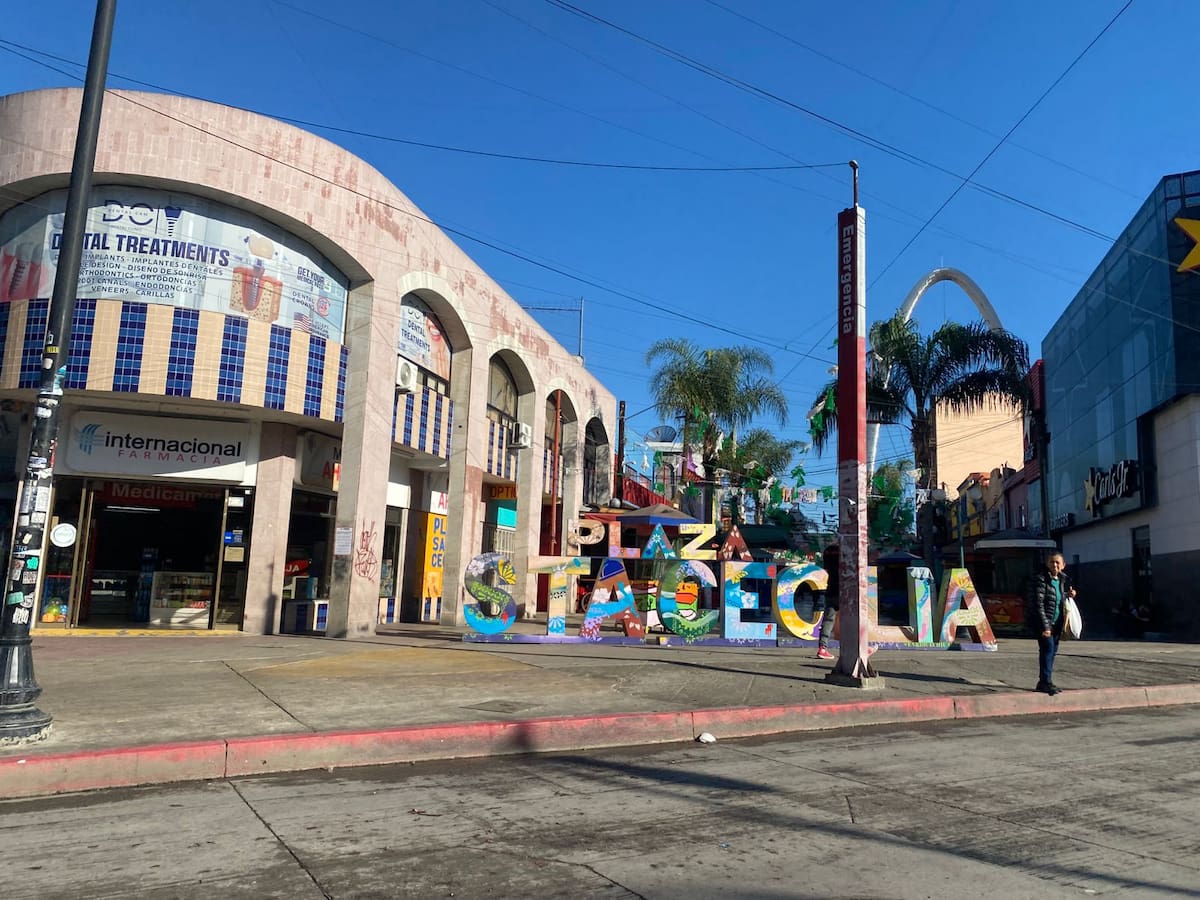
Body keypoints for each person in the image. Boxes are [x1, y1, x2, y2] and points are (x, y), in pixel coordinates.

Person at [1026, 551, 1077, 695]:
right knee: (1048, 649)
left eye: (1057, 562)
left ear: (1063, 565)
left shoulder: (1061, 580)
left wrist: (1069, 594)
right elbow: (1038, 604)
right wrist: (1045, 626)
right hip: (1045, 623)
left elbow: (1057, 599)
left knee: (1052, 651)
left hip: (1057, 623)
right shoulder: (1041, 579)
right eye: (1051, 562)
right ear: (1047, 564)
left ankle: (1045, 680)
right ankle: (1045, 682)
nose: (1054, 565)